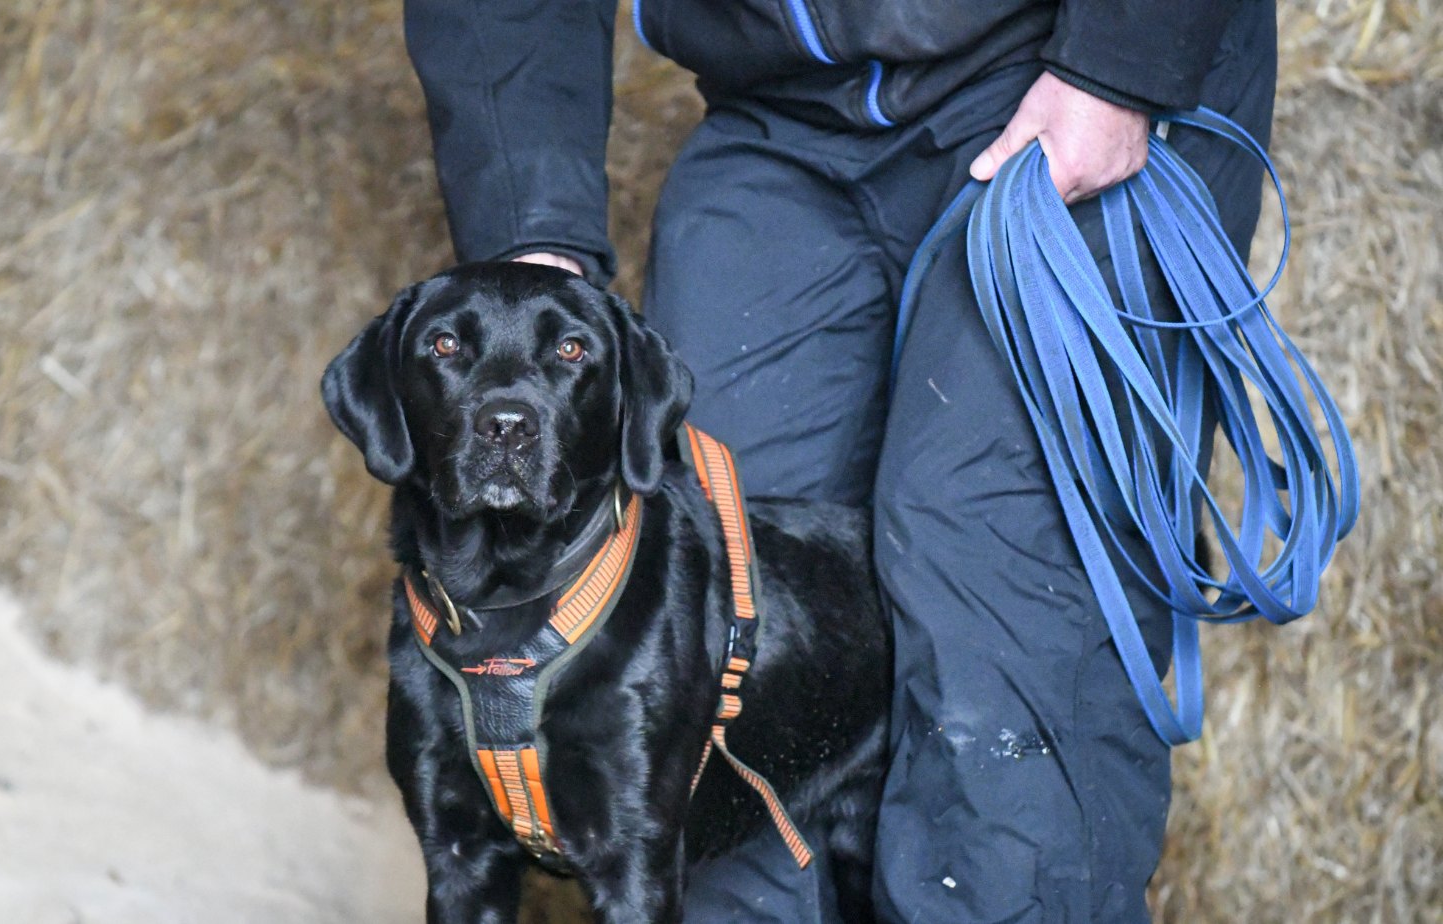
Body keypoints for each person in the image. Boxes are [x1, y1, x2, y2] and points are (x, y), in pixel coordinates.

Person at [401, 1, 1277, 921]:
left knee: (1002, 586)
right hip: (775, 110)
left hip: (1056, 73)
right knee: (703, 610)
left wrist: (1123, 62)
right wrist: (532, 238)